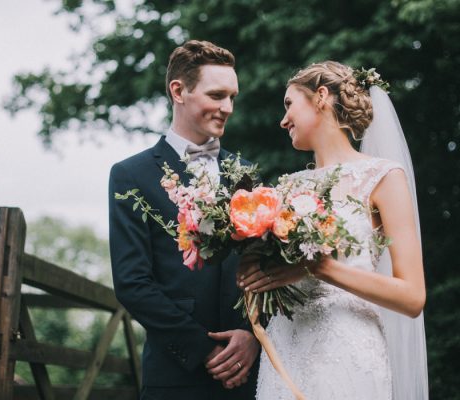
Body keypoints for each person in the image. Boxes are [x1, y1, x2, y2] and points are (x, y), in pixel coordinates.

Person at [238, 61, 428, 399]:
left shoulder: (383, 176)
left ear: (321, 97)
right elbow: (275, 276)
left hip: (347, 349)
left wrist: (321, 268)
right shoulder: (285, 190)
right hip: (286, 347)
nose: (283, 120)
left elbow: (412, 297)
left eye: (289, 104)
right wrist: (255, 273)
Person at [109, 40, 260, 400]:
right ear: (179, 90)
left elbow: (260, 270)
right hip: (176, 377)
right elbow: (132, 282)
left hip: (249, 375)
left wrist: (252, 336)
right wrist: (204, 350)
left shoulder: (246, 175)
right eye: (217, 95)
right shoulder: (132, 175)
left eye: (232, 97)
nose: (228, 108)